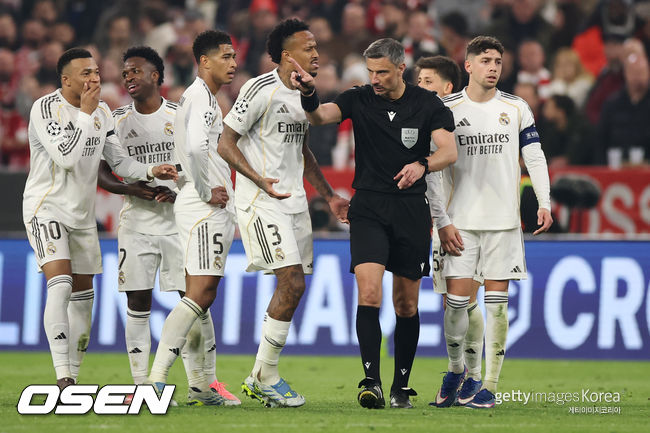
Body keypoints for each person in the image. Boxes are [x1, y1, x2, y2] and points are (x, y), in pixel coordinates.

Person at [289, 38, 457, 409]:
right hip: (368, 208)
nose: (375, 79)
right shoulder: (359, 98)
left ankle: (401, 387)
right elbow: (319, 116)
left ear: (401, 69)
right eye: (371, 72)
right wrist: (309, 93)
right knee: (368, 293)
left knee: (406, 304)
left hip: (411, 211)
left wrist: (423, 164)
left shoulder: (427, 104)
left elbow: (449, 151)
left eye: (382, 72)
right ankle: (372, 383)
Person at [22, 47, 177, 390]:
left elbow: (119, 162)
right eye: (85, 74)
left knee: (83, 300)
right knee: (61, 284)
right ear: (66, 80)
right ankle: (63, 377)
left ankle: (74, 378)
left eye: (95, 71)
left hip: (82, 215)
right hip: (46, 208)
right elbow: (65, 158)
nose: (94, 78)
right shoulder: (45, 109)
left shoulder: (103, 112)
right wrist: (85, 113)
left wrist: (151, 170)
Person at [97, 46, 240, 405]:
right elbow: (102, 173)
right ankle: (142, 385)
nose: (128, 77)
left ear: (156, 75)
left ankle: (202, 384)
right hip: (136, 221)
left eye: (135, 71)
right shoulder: (117, 120)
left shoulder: (180, 113)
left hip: (180, 221)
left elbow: (199, 162)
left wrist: (183, 193)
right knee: (137, 301)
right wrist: (133, 189)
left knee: (194, 299)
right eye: (125, 73)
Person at [218, 18, 348, 408]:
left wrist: (329, 196)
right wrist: (258, 179)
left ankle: (261, 375)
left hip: (294, 202)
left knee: (294, 286)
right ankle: (265, 375)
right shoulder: (259, 89)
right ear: (288, 55)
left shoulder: (306, 96)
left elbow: (302, 151)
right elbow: (226, 143)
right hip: (260, 200)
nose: (317, 54)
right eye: (309, 48)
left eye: (317, 48)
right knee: (291, 282)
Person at [433, 36, 552, 410]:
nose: (493, 67)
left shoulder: (516, 107)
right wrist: (439, 218)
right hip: (460, 222)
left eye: (498, 61)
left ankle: (489, 386)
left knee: (497, 307)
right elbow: (433, 166)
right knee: (456, 305)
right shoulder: (446, 108)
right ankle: (457, 370)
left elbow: (535, 155)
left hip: (503, 222)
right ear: (468, 65)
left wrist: (544, 202)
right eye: (485, 60)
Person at [146, 30, 238, 406]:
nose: (233, 63)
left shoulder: (199, 97)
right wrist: (204, 190)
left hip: (197, 205)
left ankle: (202, 384)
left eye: (234, 56)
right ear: (204, 61)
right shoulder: (201, 97)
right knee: (200, 293)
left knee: (200, 296)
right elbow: (198, 149)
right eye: (226, 56)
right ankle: (155, 381)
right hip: (203, 209)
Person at [415, 55, 486, 407]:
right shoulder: (425, 119)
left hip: (472, 222)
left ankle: (469, 375)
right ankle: (462, 372)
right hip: (445, 222)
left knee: (464, 299)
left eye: (427, 81)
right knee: (454, 302)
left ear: (448, 87)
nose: (420, 87)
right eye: (418, 81)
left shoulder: (463, 117)